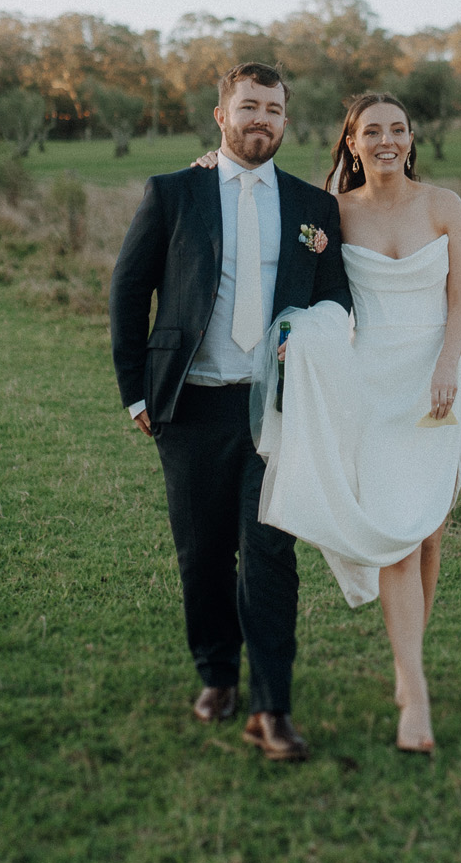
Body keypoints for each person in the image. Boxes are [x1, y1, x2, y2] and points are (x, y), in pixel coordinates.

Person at [107, 64, 353, 763]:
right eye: (248, 107)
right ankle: (216, 674)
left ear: (284, 121)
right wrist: (137, 393)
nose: (261, 121)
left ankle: (272, 707)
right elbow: (129, 296)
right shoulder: (174, 193)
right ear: (221, 116)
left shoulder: (314, 209)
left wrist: (310, 349)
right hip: (190, 409)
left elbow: (336, 301)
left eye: (274, 110)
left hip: (275, 412)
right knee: (203, 555)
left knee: (271, 555)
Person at [252, 92, 461, 755]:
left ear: (411, 139)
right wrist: (305, 336)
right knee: (398, 535)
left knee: (429, 528)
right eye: (371, 130)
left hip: (437, 379)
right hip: (371, 387)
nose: (386, 139)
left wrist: (445, 366)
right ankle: (416, 693)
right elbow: (314, 285)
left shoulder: (444, 205)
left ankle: (410, 669)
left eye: (397, 129)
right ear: (351, 142)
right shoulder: (333, 212)